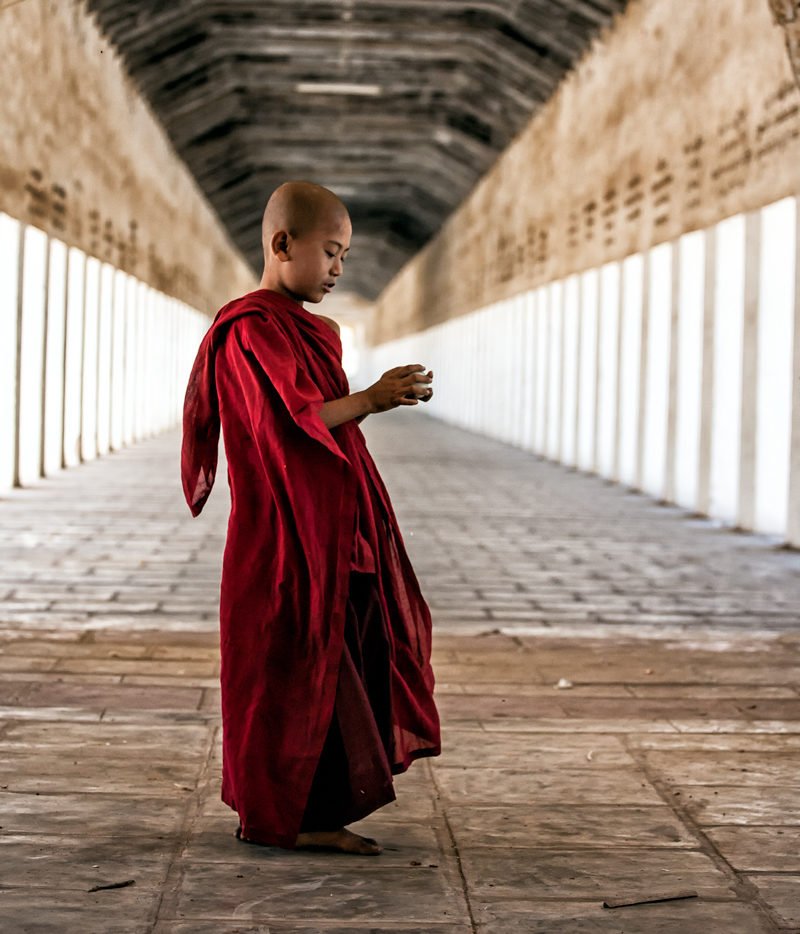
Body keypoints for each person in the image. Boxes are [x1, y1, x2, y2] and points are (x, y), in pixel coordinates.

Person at [181, 181, 441, 856]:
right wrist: (372, 399)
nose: (337, 270)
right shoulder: (250, 331)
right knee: (285, 672)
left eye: (346, 258)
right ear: (281, 244)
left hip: (333, 533)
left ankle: (312, 812)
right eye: (329, 252)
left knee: (338, 667)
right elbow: (286, 427)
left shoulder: (307, 330)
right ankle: (279, 813)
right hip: (283, 536)